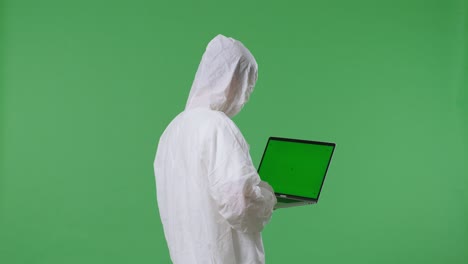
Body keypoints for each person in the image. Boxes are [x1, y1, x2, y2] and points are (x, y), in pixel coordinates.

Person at [153, 34, 277, 264]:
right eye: (246, 83)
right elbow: (240, 204)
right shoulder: (217, 126)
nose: (246, 95)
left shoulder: (172, 131)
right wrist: (268, 198)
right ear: (232, 79)